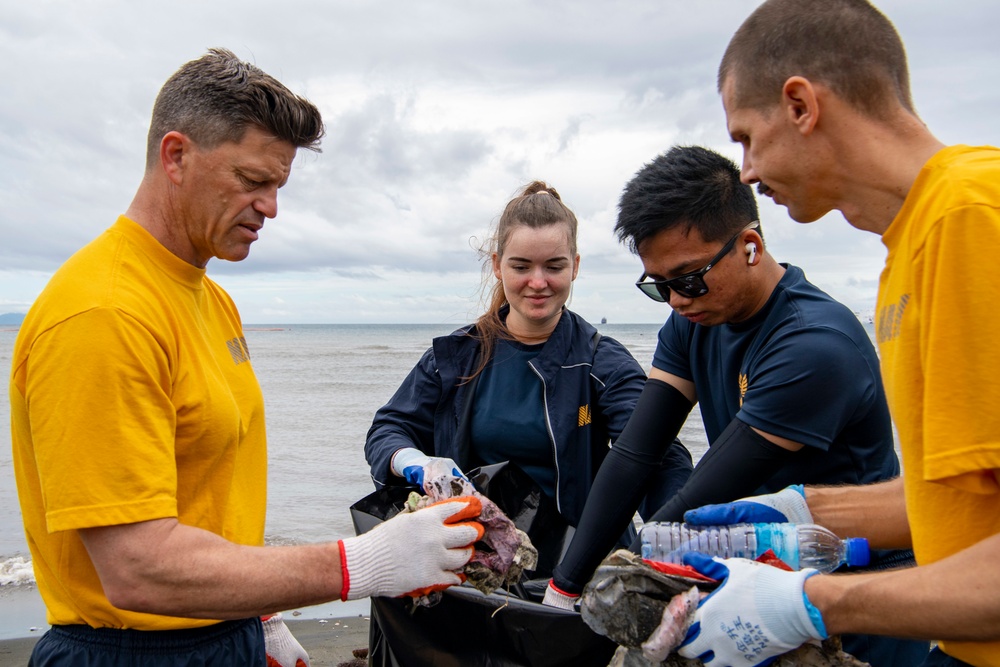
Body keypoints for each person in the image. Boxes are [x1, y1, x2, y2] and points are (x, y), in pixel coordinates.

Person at [9, 48, 484, 667]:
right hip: (130, 652)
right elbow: (137, 569)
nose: (271, 207)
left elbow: (208, 496)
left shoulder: (213, 300)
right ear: (175, 156)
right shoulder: (105, 313)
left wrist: (258, 618)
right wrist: (361, 563)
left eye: (278, 185)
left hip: (219, 633)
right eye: (252, 181)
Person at [664, 2, 1000, 666]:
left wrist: (811, 601)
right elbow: (961, 496)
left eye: (746, 138)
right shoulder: (909, 249)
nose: (748, 172)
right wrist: (802, 508)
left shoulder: (969, 218)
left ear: (800, 105)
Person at [541, 145, 927, 666]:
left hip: (858, 588)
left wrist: (626, 577)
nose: (677, 299)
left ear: (749, 245)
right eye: (659, 286)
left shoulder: (814, 346)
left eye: (688, 278)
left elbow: (710, 495)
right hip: (757, 575)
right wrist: (564, 587)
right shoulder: (692, 321)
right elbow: (636, 452)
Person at [365, 181, 693, 543]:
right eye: (521, 267)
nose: (538, 282)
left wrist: (677, 533)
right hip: (476, 552)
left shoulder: (601, 362)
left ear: (575, 267)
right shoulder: (456, 357)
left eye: (554, 266)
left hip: (580, 559)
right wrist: (414, 462)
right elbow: (389, 428)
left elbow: (656, 455)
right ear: (497, 266)